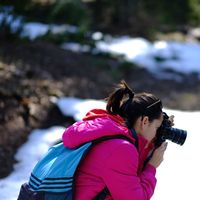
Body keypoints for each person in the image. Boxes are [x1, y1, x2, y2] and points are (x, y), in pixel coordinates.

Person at [62, 80, 171, 200]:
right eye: (156, 127)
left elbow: (128, 176)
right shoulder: (121, 149)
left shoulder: (109, 133)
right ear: (144, 121)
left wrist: (151, 146)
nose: (157, 132)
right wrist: (151, 167)